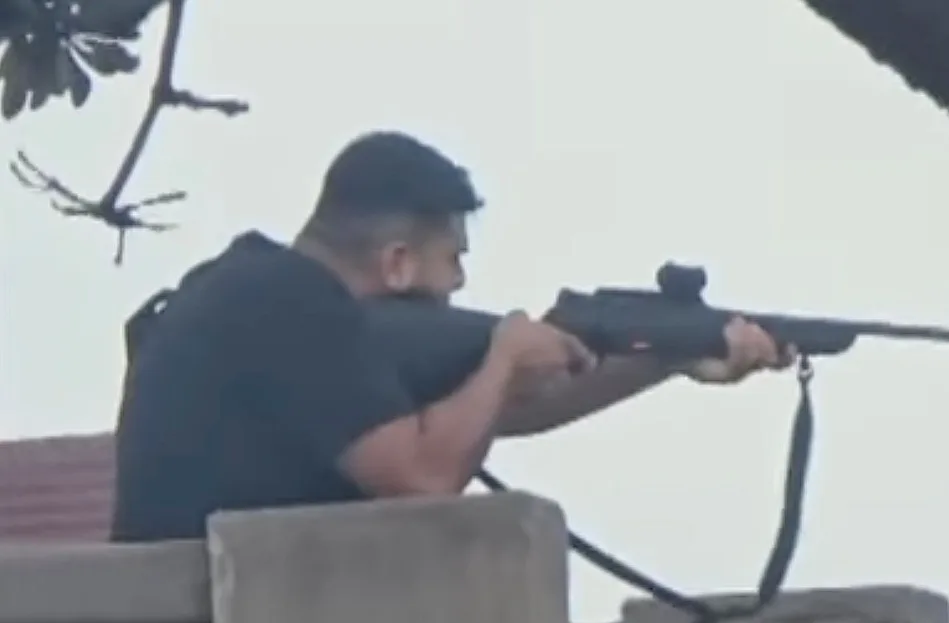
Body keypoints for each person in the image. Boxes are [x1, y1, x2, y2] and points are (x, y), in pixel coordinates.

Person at [111, 131, 792, 542]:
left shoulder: (256, 294)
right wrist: (502, 356)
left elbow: (499, 410)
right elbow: (424, 477)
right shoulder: (288, 301)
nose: (459, 285)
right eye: (453, 258)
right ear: (397, 262)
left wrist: (669, 354)